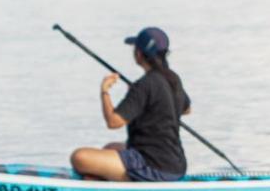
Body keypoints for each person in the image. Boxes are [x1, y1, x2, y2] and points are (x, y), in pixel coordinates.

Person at [70, 27, 191, 182]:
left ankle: (131, 178)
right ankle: (109, 178)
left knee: (79, 157)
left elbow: (113, 122)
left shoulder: (144, 85)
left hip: (154, 166)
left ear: (139, 54)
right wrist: (144, 104)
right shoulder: (173, 79)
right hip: (176, 164)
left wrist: (104, 91)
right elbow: (186, 109)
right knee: (110, 148)